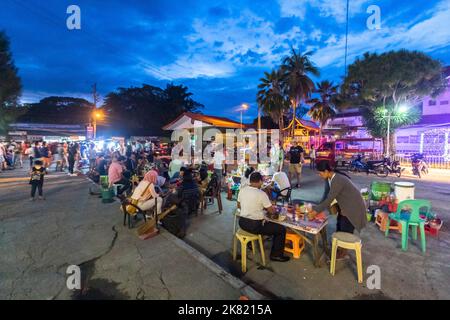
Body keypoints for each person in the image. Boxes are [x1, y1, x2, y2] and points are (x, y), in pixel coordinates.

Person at [309, 160, 367, 259]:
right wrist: (316, 207)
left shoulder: (337, 180)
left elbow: (329, 199)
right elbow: (325, 196)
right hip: (345, 204)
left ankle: (343, 251)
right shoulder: (329, 178)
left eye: (320, 173)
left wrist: (316, 211)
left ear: (327, 171)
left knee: (345, 228)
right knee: (339, 225)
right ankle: (340, 248)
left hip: (353, 206)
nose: (319, 175)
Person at [237, 172, 290, 262]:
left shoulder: (242, 190)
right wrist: (273, 209)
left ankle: (250, 244)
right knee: (281, 229)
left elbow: (239, 206)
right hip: (255, 226)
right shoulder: (261, 194)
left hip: (242, 223)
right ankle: (276, 255)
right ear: (260, 181)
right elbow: (271, 211)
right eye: (262, 181)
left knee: (266, 223)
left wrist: (254, 208)